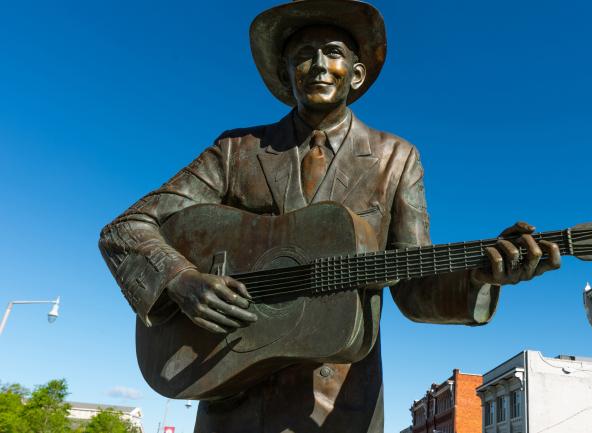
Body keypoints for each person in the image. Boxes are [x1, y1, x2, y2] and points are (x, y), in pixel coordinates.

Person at [98, 1, 560, 431]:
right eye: (303, 54)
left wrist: (479, 277)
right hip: (232, 393)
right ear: (286, 72)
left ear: (356, 74)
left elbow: (413, 290)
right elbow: (126, 229)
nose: (319, 65)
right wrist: (180, 280)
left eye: (333, 53)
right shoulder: (235, 151)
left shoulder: (396, 158)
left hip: (341, 405)